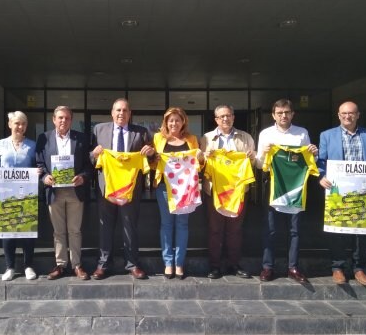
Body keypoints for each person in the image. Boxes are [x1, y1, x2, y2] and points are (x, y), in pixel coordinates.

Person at [317, 101, 366, 286]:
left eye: (351, 113)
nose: (347, 116)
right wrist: (321, 176)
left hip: (364, 190)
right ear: (338, 115)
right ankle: (338, 267)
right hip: (338, 190)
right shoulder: (327, 136)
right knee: (338, 228)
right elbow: (321, 161)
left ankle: (359, 268)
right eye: (343, 113)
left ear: (358, 115)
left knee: (362, 230)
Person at [90, 98, 155, 279]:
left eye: (125, 110)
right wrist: (94, 155)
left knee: (130, 227)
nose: (121, 114)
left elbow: (151, 159)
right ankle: (103, 264)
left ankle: (133, 264)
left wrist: (150, 154)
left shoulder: (141, 132)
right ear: (112, 113)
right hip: (107, 189)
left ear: (130, 113)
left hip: (130, 189)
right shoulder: (98, 130)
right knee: (105, 227)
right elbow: (89, 158)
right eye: (118, 110)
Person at [256, 99, 318, 283]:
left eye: (287, 112)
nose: (284, 116)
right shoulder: (266, 134)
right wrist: (265, 154)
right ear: (273, 115)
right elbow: (259, 164)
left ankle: (293, 267)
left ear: (293, 114)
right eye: (280, 112)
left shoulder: (302, 133)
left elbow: (309, 160)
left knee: (295, 230)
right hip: (274, 185)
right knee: (271, 229)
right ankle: (267, 267)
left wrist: (314, 152)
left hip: (296, 186)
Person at [36, 106, 92, 280]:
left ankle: (76, 265)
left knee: (75, 230)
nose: (63, 121)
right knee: (58, 231)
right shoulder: (44, 138)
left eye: (67, 118)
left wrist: (83, 177)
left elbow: (88, 165)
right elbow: (39, 163)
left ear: (71, 120)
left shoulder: (81, 138)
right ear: (54, 119)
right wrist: (44, 177)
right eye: (60, 118)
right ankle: (60, 264)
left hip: (75, 191)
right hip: (54, 192)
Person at [200, 105, 256, 279]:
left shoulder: (245, 137)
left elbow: (252, 163)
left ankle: (234, 264)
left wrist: (251, 157)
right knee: (215, 229)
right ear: (216, 119)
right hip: (215, 190)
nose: (225, 119)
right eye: (221, 116)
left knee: (235, 229)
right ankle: (214, 266)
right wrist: (204, 155)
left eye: (229, 115)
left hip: (238, 191)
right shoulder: (207, 138)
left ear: (233, 117)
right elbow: (200, 163)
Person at [152, 107, 204, 279]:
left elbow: (198, 164)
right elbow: (152, 165)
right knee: (166, 225)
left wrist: (201, 157)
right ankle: (168, 263)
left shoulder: (191, 139)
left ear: (183, 122)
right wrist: (154, 159)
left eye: (177, 120)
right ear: (166, 122)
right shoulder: (158, 138)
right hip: (164, 188)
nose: (174, 123)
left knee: (182, 225)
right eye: (170, 120)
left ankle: (179, 263)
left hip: (185, 189)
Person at [0, 111, 39, 281]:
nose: (20, 127)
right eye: (17, 123)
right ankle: (10, 267)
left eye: (23, 124)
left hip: (26, 194)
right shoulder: (0, 144)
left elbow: (37, 165)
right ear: (10, 124)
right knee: (8, 232)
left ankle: (28, 266)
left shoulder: (32, 146)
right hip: (5, 194)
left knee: (27, 232)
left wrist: (38, 172)